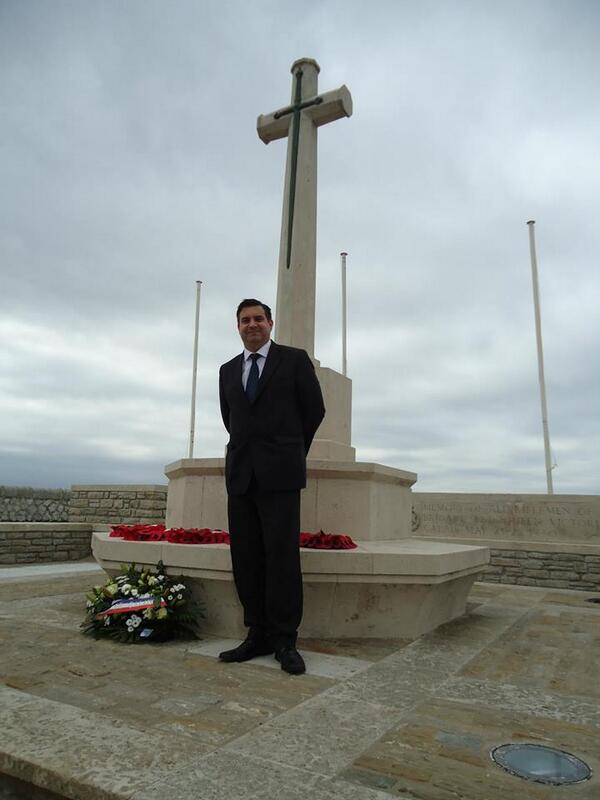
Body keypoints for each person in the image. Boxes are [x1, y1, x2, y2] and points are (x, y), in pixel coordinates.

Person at [218, 298, 325, 674]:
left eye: (258, 319)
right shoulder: (227, 370)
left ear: (270, 322)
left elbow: (314, 411)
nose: (252, 325)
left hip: (280, 476)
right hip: (241, 477)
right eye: (245, 320)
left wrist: (290, 450)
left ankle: (285, 640)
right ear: (238, 326)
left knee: (281, 558)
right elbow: (231, 420)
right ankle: (257, 634)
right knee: (246, 557)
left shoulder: (294, 360)